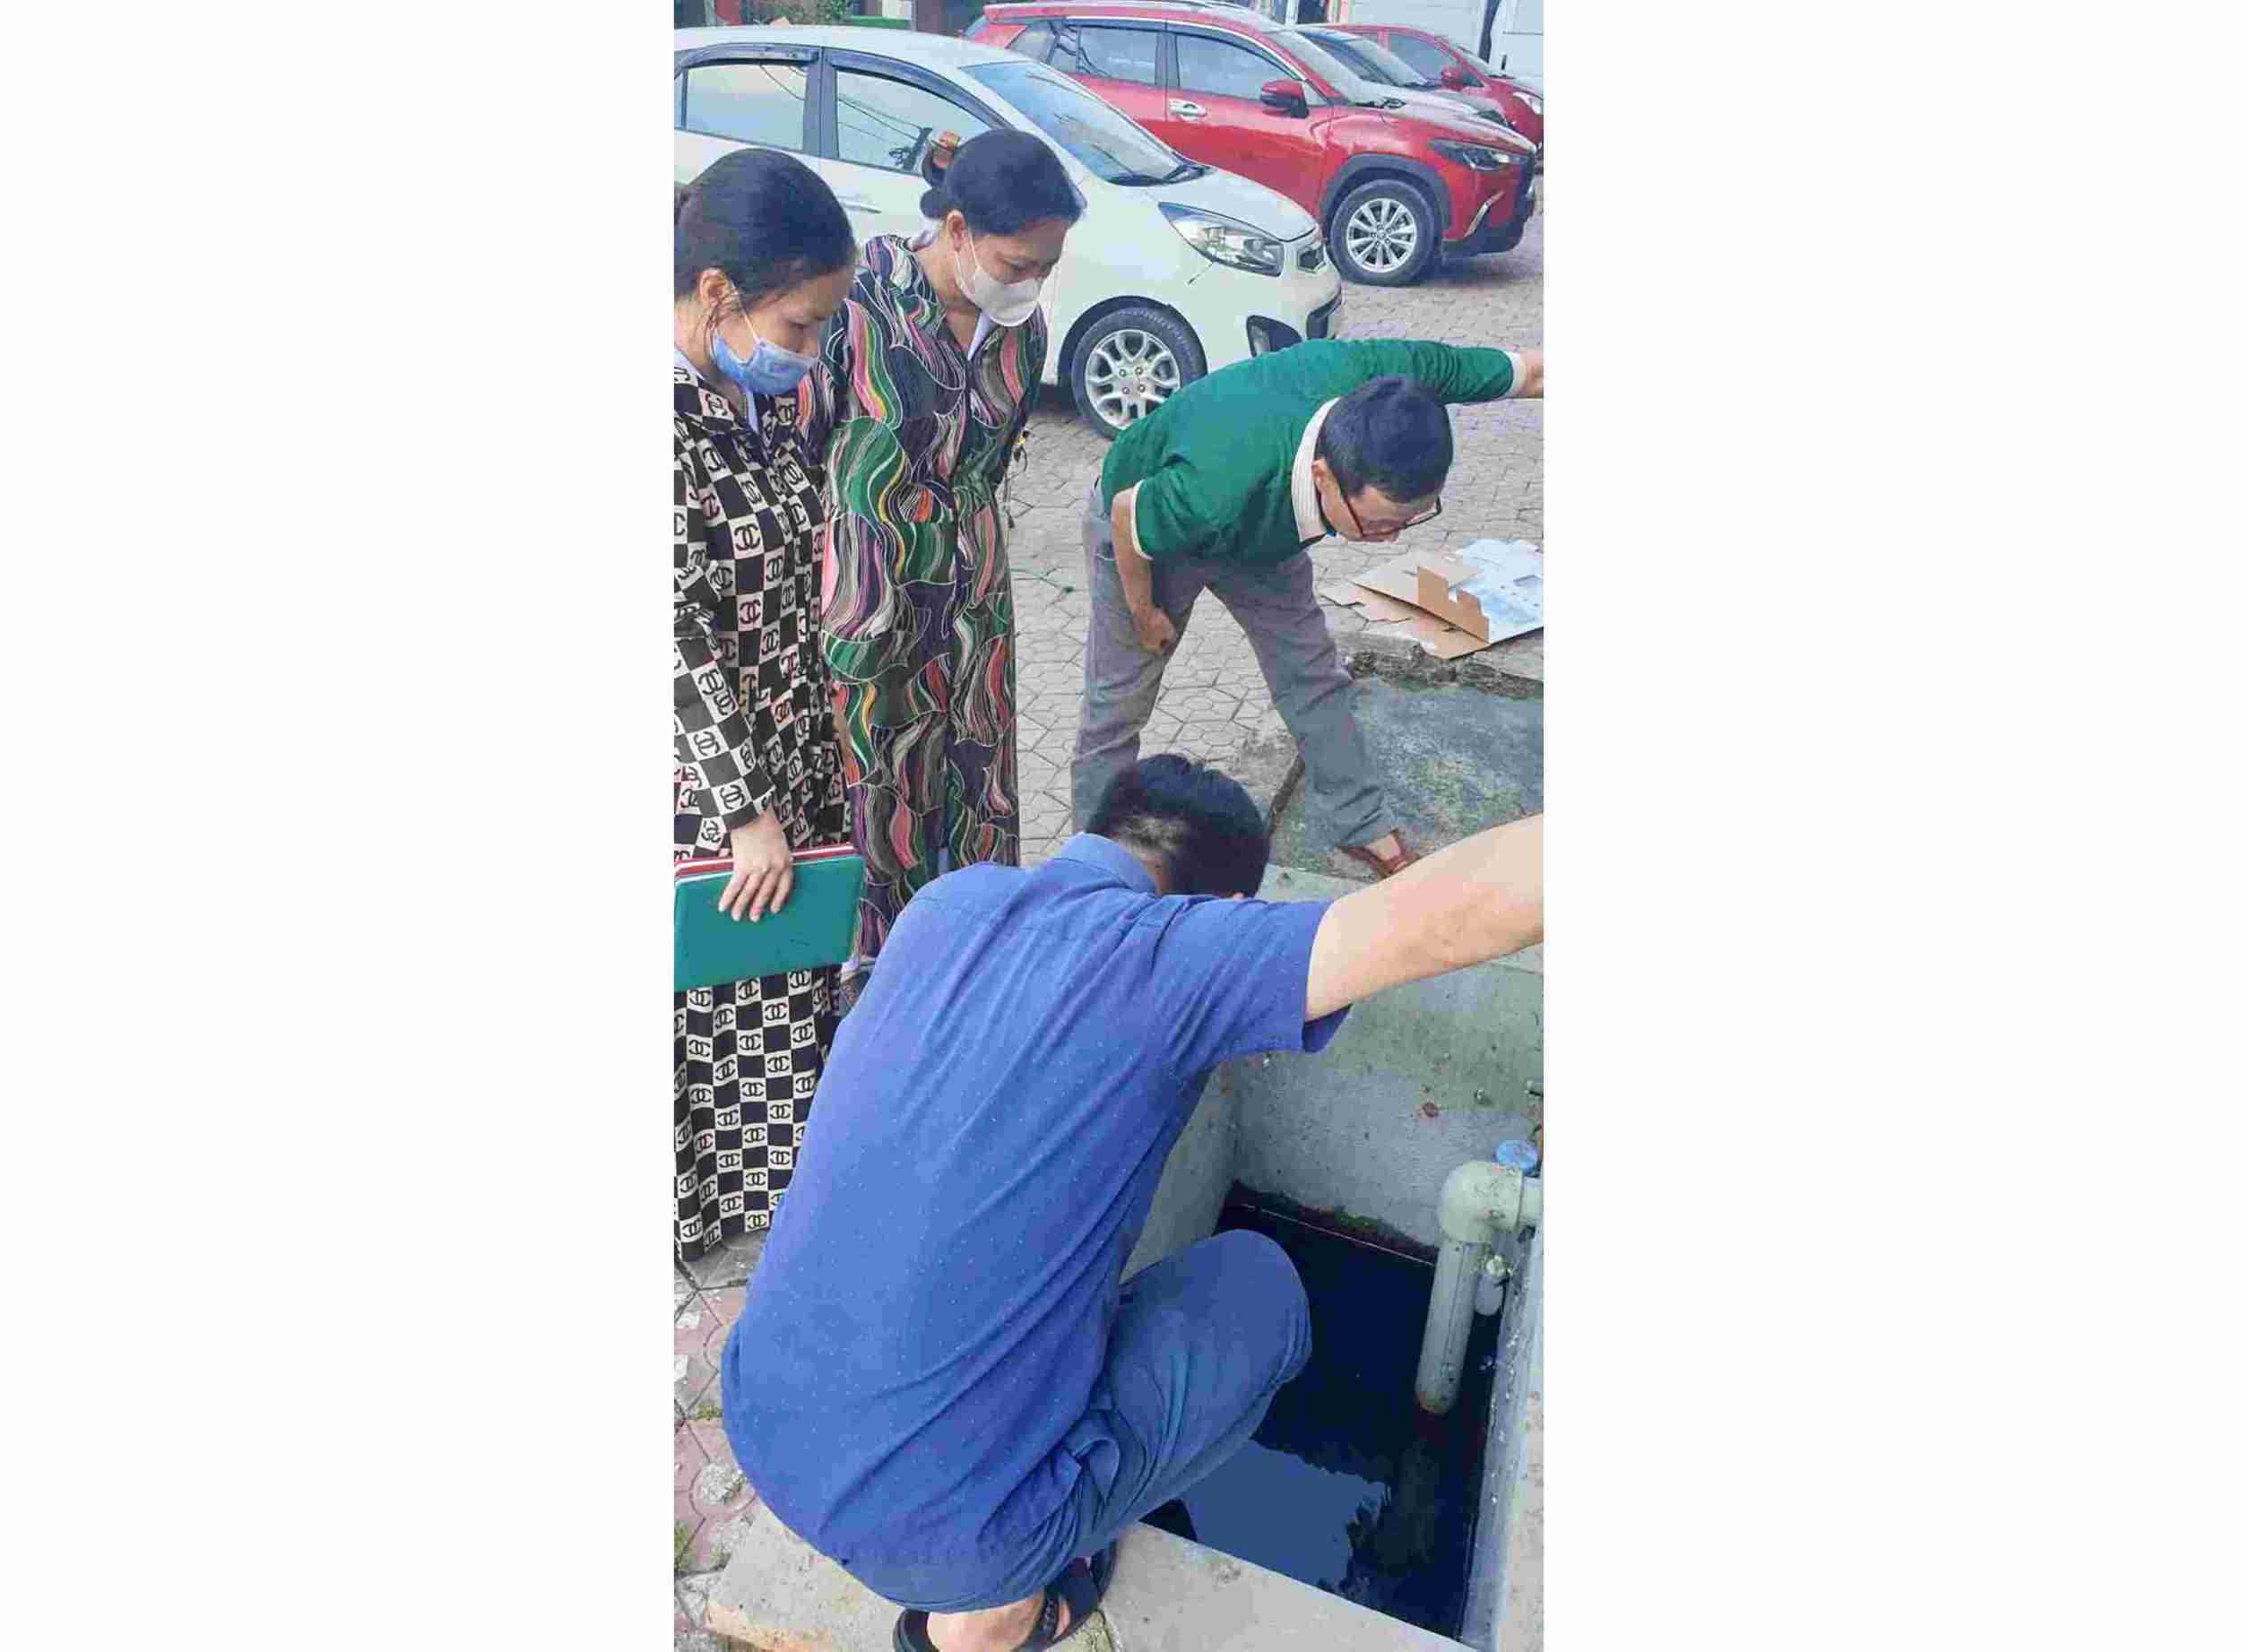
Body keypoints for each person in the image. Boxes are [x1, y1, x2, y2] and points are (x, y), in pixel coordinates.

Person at [721, 755, 1544, 1651]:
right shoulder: (1175, 954)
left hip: (760, 1416)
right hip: (949, 1537)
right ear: (1223, 909)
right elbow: (1451, 913)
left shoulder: (946, 904)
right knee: (1260, 1290)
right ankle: (991, 1618)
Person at [1073, 340, 1546, 880]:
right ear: (1323, 476)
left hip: (1261, 536)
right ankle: (1092, 872)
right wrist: (1144, 612)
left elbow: (1526, 372)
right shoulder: (1217, 485)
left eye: (1408, 522)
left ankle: (1363, 824)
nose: (1388, 541)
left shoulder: (1387, 389)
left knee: (1313, 675)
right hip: (1148, 533)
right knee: (1116, 708)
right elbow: (1128, 515)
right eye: (1376, 524)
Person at [801, 130, 1084, 979]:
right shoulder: (854, 307)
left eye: (1046, 264)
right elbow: (804, 451)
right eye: (1017, 260)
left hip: (971, 613)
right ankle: (871, 984)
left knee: (974, 789)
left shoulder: (1019, 331)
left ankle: (968, 964)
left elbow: (992, 463)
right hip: (870, 603)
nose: (1029, 280)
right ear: (956, 229)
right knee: (874, 792)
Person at [672, 150, 858, 1260]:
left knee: (781, 978)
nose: (809, 352)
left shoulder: (739, 396)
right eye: (797, 327)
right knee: (705, 988)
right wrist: (742, 808)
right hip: (706, 779)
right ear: (716, 295)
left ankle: (774, 1192)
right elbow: (666, 634)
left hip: (784, 734)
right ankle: (694, 1206)